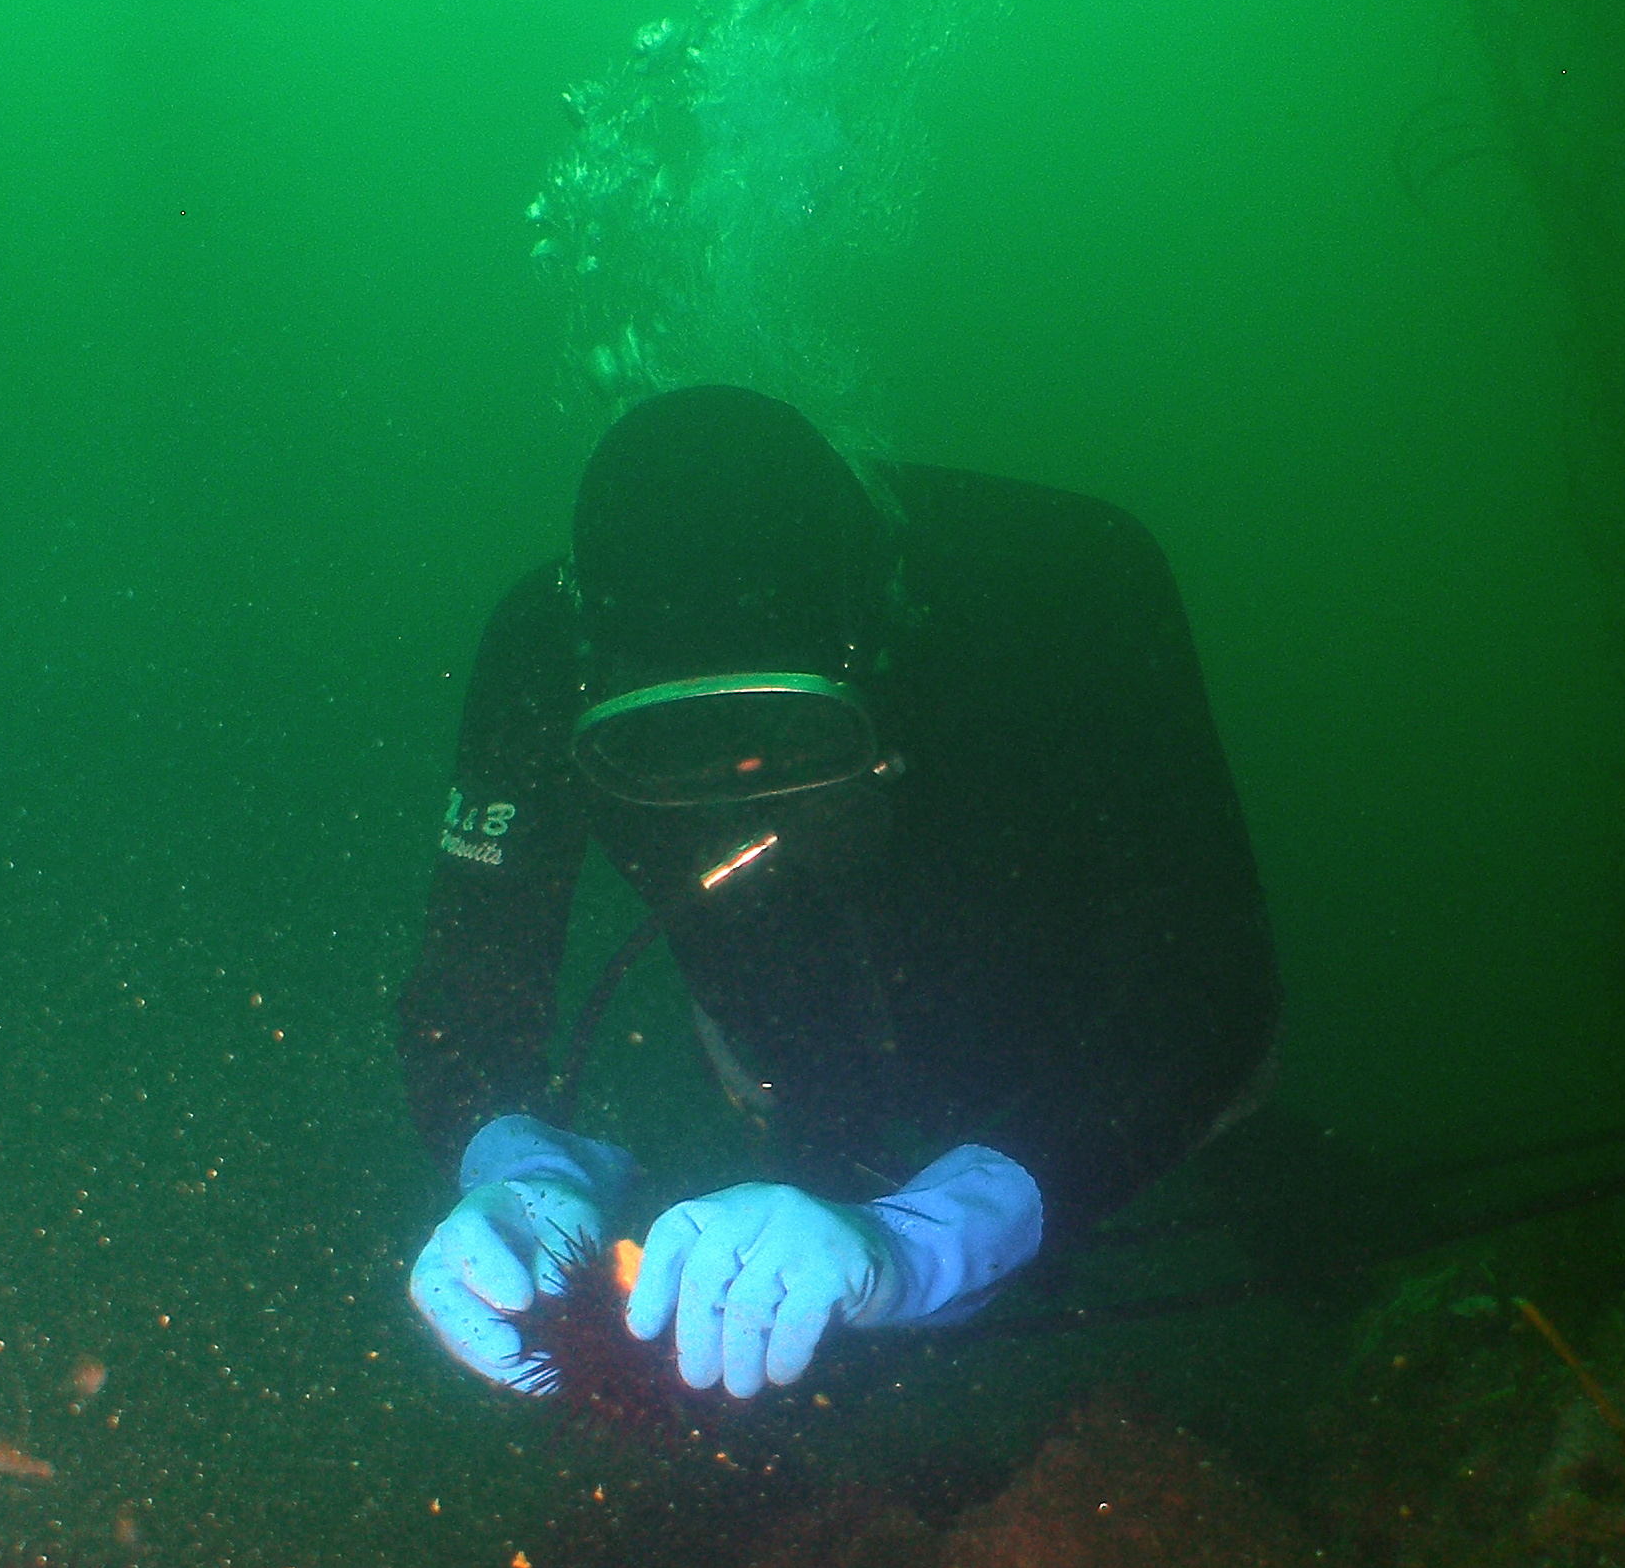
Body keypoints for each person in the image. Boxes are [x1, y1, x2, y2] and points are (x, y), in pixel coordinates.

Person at [401, 386, 1280, 1400]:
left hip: (1075, 1029)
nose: (745, 796)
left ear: (878, 648)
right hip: (789, 1063)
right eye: (666, 748)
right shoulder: (545, 653)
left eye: (795, 732)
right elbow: (464, 988)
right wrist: (511, 1161)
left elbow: (1208, 983)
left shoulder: (1063, 583)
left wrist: (927, 1246)